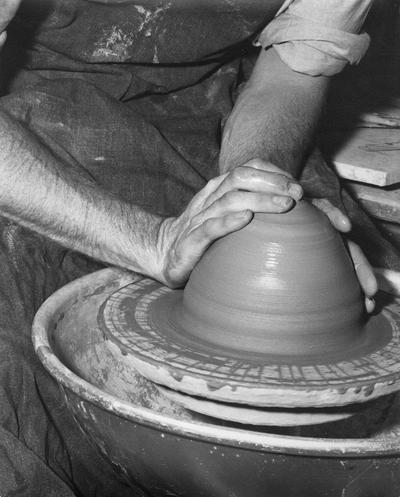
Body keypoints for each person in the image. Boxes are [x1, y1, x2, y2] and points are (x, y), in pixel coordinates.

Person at [0, 0, 398, 495]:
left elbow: (293, 73)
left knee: (332, 268)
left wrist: (251, 189)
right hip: (20, 107)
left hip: (216, 101)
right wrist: (149, 239)